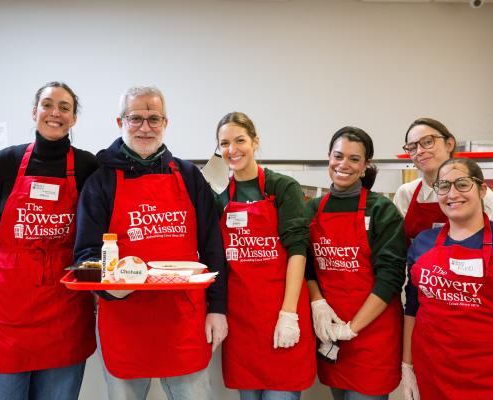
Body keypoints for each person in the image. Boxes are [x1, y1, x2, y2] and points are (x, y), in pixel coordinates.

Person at [74, 85, 227, 400]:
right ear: (121, 123)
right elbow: (86, 253)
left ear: (165, 123)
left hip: (183, 319)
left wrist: (218, 307)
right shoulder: (101, 181)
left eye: (154, 119)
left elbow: (213, 246)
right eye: (136, 118)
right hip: (124, 320)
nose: (145, 127)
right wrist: (108, 288)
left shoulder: (188, 176)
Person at [0, 81, 98, 400]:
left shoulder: (87, 166)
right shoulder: (5, 161)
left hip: (65, 309)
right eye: (47, 104)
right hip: (8, 310)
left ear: (73, 118)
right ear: (35, 112)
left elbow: (98, 227)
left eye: (64, 107)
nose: (54, 112)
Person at [401, 158, 493, 400]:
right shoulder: (423, 242)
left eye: (462, 184)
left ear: (482, 189)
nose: (452, 193)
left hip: (489, 377)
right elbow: (413, 308)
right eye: (444, 186)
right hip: (431, 372)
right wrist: (407, 366)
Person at [214, 112, 316, 400]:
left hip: (282, 312)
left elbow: (298, 249)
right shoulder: (220, 196)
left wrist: (289, 313)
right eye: (224, 143)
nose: (232, 149)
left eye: (240, 140)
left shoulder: (282, 187)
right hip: (242, 322)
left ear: (255, 142)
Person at [305, 127, 406, 400]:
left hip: (373, 335)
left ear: (365, 166)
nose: (344, 165)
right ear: (328, 157)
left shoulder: (382, 210)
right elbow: (306, 266)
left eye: (354, 159)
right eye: (338, 156)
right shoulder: (313, 209)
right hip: (330, 333)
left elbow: (391, 276)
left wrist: (352, 328)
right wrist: (318, 304)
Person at [393, 118, 493, 241]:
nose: (419, 151)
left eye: (427, 142)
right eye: (412, 148)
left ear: (449, 144)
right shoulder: (406, 194)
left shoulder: (485, 199)